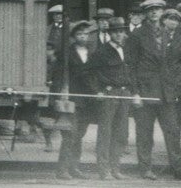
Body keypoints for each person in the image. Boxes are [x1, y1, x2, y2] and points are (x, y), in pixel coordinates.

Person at [128, 0, 181, 180]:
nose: (154, 12)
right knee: (145, 133)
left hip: (167, 93)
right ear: (145, 13)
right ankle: (145, 168)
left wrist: (176, 87)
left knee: (173, 131)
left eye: (158, 9)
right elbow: (130, 66)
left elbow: (178, 64)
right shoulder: (137, 35)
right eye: (150, 10)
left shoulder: (169, 35)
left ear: (162, 12)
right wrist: (135, 93)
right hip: (145, 91)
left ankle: (178, 169)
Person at [52, 20, 100, 178]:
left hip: (87, 101)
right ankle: (62, 169)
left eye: (86, 34)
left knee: (79, 134)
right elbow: (59, 76)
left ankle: (74, 167)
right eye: (80, 34)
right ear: (73, 36)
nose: (83, 37)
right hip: (73, 100)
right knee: (69, 135)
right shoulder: (67, 54)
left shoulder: (92, 53)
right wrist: (58, 97)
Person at [93, 14, 134, 178]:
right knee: (106, 132)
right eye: (115, 32)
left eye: (121, 32)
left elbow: (130, 72)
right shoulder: (102, 51)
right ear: (110, 33)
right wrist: (99, 90)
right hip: (110, 94)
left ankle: (116, 168)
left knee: (121, 132)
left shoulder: (125, 50)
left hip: (124, 93)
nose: (119, 35)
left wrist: (133, 91)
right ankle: (104, 169)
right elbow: (92, 73)